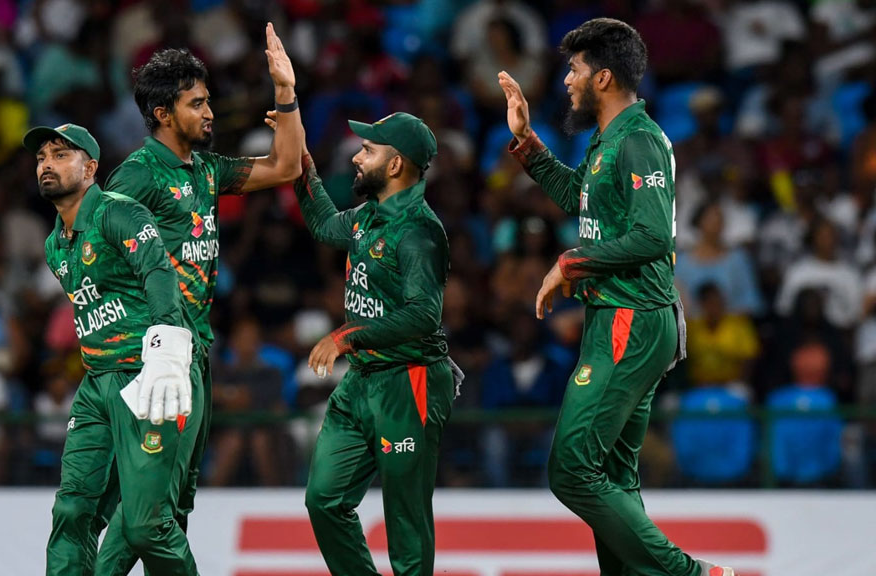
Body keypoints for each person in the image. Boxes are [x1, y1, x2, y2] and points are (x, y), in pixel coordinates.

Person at [499, 18, 735, 576]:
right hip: (620, 316)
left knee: (572, 470)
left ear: (603, 78)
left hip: (634, 317)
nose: (566, 81)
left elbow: (654, 237)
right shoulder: (611, 139)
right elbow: (581, 200)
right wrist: (529, 145)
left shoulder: (640, 140)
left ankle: (692, 575)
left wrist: (569, 262)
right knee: (612, 478)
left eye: (575, 69)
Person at [95, 22, 303, 574]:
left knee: (167, 506)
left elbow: (286, 165)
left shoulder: (206, 171)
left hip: (197, 354)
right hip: (157, 359)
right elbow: (92, 249)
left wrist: (285, 93)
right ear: (164, 114)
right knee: (149, 512)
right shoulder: (136, 177)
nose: (210, 113)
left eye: (208, 101)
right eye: (197, 103)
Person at [282, 110, 458, 576]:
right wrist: (302, 168)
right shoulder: (368, 216)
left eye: (368, 150)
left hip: (409, 382)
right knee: (323, 500)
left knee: (406, 522)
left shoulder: (420, 232)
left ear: (396, 164)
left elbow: (424, 315)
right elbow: (323, 226)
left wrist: (346, 335)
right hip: (362, 380)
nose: (357, 157)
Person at [26, 123, 202, 576]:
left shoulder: (118, 212)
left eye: (61, 155)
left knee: (146, 526)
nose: (47, 163)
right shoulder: (54, 246)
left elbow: (159, 272)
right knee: (71, 513)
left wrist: (166, 348)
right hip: (96, 384)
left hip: (147, 378)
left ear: (91, 168)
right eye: (43, 156)